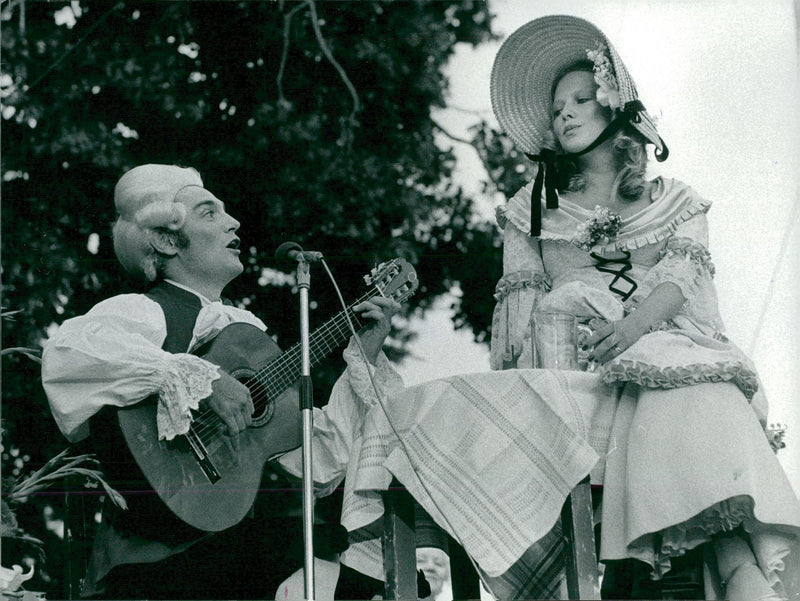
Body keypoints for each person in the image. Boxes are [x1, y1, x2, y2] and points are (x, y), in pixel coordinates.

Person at [488, 15, 800, 601]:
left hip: (662, 353)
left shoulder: (675, 200)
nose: (567, 114)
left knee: (694, 386)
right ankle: (730, 565)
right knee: (679, 395)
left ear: (615, 106)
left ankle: (725, 566)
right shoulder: (530, 212)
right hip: (574, 372)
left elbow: (682, 278)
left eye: (582, 99)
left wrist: (632, 328)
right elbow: (521, 309)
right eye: (558, 110)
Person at [41, 164, 403, 599]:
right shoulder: (143, 311)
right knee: (323, 557)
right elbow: (68, 356)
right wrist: (203, 379)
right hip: (149, 564)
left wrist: (362, 357)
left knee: (353, 561)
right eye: (209, 213)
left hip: (227, 551)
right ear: (166, 240)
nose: (233, 223)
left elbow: (319, 463)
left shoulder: (246, 335)